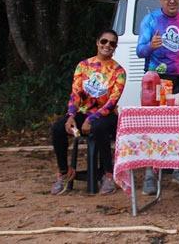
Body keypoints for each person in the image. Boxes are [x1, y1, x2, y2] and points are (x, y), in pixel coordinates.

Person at [137, 0, 179, 194]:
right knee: (154, 126)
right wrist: (150, 46)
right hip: (157, 78)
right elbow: (139, 51)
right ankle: (150, 174)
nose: (172, 0)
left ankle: (178, 168)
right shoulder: (151, 19)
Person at [50, 29, 126, 195]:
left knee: (99, 128)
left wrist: (91, 119)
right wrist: (70, 116)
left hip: (106, 115)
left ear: (115, 47)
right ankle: (64, 172)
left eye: (112, 43)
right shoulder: (83, 66)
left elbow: (112, 102)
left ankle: (108, 174)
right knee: (57, 128)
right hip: (83, 112)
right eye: (104, 41)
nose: (107, 45)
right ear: (97, 42)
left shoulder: (119, 72)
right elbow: (75, 93)